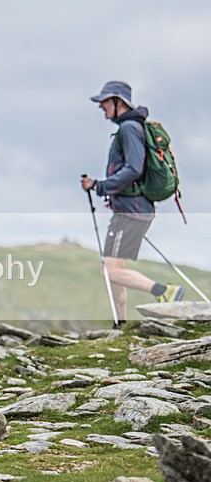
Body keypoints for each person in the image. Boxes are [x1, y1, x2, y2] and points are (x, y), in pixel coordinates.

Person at [81, 81, 183, 323]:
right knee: (114, 270)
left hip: (131, 211)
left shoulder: (128, 129)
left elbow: (134, 168)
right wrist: (113, 193)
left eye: (104, 101)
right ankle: (121, 324)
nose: (101, 107)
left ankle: (165, 291)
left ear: (119, 102)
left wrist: (100, 186)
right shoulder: (131, 128)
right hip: (132, 208)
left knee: (110, 270)